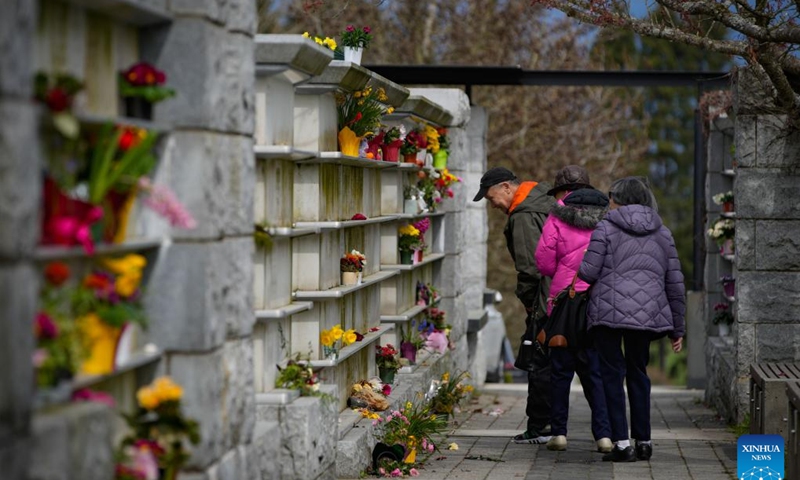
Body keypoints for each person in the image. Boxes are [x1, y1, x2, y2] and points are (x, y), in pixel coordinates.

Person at [577, 176, 686, 462]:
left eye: (611, 198)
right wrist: (678, 327)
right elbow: (675, 283)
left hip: (608, 313)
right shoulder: (663, 232)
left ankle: (622, 444)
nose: (609, 203)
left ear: (620, 199)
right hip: (647, 314)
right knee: (638, 372)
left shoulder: (605, 227)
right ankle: (645, 441)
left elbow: (588, 272)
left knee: (612, 376)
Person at [533, 165, 612, 453]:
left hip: (565, 302)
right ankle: (603, 435)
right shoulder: (608, 215)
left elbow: (543, 261)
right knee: (595, 371)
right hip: (598, 301)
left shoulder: (556, 216)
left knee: (560, 371)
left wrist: (564, 274)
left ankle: (560, 434)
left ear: (566, 192)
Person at [473, 166, 553, 444]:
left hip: (545, 300)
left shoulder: (523, 216)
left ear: (507, 187)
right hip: (566, 296)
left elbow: (530, 268)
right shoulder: (546, 201)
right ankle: (607, 432)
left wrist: (531, 305)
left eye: (492, 197)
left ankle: (541, 427)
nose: (492, 204)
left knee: (539, 363)